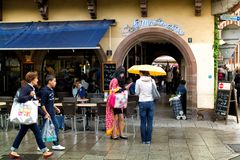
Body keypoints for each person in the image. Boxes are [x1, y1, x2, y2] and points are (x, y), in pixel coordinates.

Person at [9, 72, 53, 159]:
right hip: (27, 116)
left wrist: (44, 114)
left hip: (27, 116)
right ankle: (45, 151)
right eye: (36, 78)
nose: (37, 80)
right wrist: (30, 96)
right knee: (37, 132)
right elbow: (20, 99)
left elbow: (34, 105)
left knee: (22, 133)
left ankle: (13, 150)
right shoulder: (27, 88)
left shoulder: (31, 88)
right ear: (32, 79)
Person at [40, 74, 65, 150]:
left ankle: (55, 144)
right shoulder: (44, 91)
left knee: (55, 127)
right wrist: (46, 113)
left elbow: (51, 102)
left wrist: (56, 108)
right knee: (45, 129)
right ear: (49, 81)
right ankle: (41, 145)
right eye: (54, 81)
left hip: (52, 113)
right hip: (47, 114)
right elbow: (42, 104)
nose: (55, 82)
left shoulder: (51, 90)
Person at [106, 67, 131, 140]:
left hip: (118, 102)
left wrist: (124, 88)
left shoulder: (117, 80)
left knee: (120, 118)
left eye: (123, 72)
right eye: (121, 72)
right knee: (116, 118)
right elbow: (114, 91)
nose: (122, 74)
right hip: (115, 102)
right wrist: (125, 88)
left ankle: (120, 133)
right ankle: (114, 134)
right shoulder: (115, 80)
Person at [135, 70, 156, 144]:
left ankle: (143, 140)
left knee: (143, 122)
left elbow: (136, 92)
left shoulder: (138, 81)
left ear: (142, 73)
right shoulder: (152, 80)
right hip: (150, 102)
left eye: (140, 72)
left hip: (142, 102)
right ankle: (148, 140)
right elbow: (154, 91)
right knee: (150, 122)